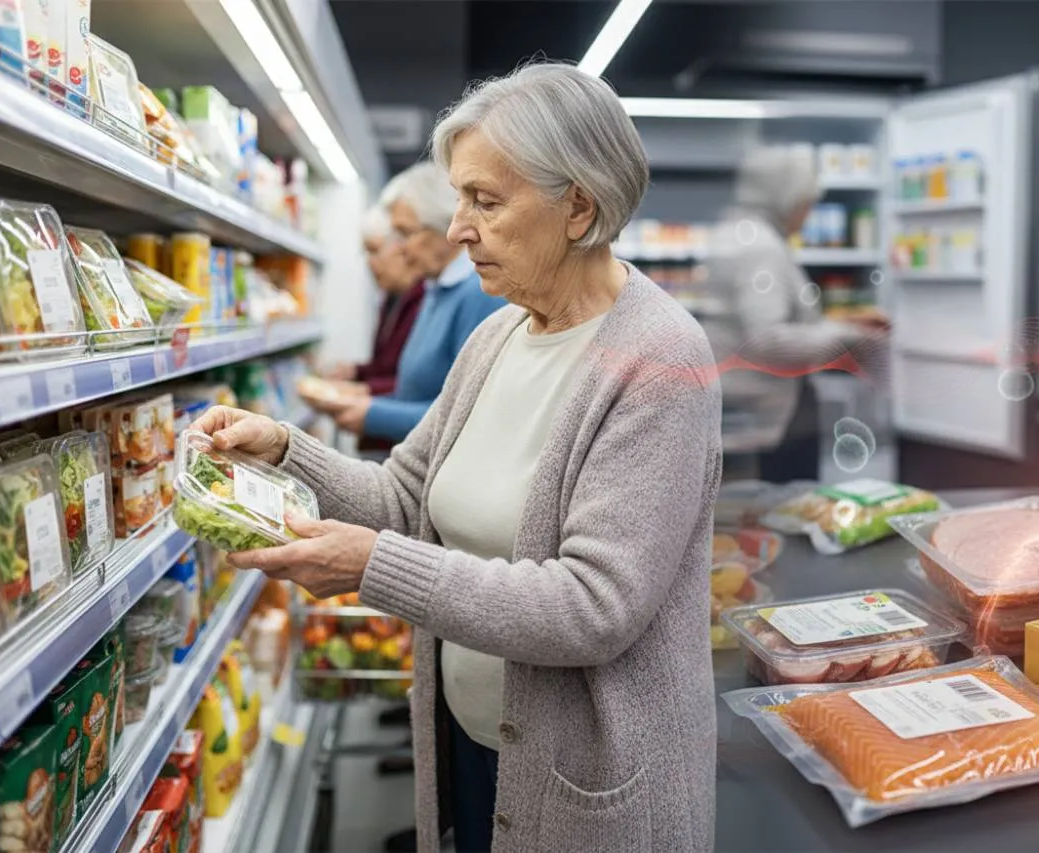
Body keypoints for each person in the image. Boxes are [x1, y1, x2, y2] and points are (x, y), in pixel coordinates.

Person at [192, 62, 720, 853]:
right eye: (460, 198)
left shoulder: (661, 361)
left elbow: (592, 607)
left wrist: (375, 568)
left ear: (578, 205)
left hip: (584, 782)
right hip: (474, 744)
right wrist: (284, 449)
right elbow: (404, 500)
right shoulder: (497, 334)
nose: (456, 230)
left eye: (485, 200)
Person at [697, 144, 888, 482]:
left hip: (739, 406)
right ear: (784, 197)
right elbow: (768, 340)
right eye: (806, 204)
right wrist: (852, 336)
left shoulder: (735, 231)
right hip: (766, 417)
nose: (808, 213)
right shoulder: (761, 248)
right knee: (773, 513)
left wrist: (835, 323)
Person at [313, 162, 505, 442]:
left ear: (445, 227)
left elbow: (470, 418)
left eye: (405, 233)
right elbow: (416, 392)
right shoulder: (435, 289)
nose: (398, 248)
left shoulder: (480, 294)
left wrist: (373, 413)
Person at [321, 205, 422, 397]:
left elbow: (422, 383)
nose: (370, 262)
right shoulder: (391, 297)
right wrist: (356, 372)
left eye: (375, 251)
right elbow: (386, 366)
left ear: (403, 248)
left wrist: (364, 390)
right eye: (366, 253)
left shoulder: (427, 300)